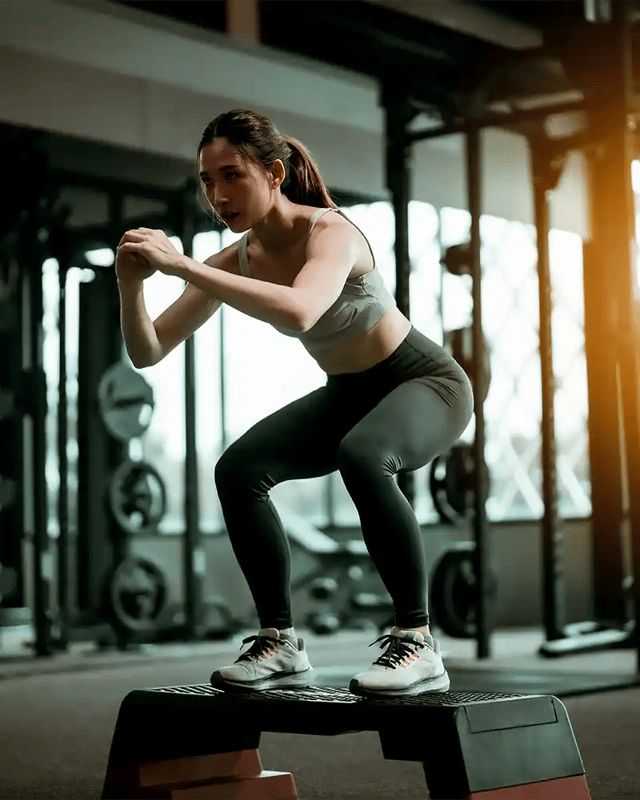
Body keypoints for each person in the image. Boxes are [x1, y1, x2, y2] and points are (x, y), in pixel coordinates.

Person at [116, 108, 473, 697]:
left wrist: (182, 266)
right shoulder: (237, 259)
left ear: (275, 173)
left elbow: (301, 310)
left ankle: (417, 640)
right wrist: (130, 285)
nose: (218, 196)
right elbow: (148, 349)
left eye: (232, 175)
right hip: (348, 395)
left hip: (423, 382)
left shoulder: (332, 232)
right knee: (239, 469)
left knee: (364, 455)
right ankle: (279, 641)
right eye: (207, 181)